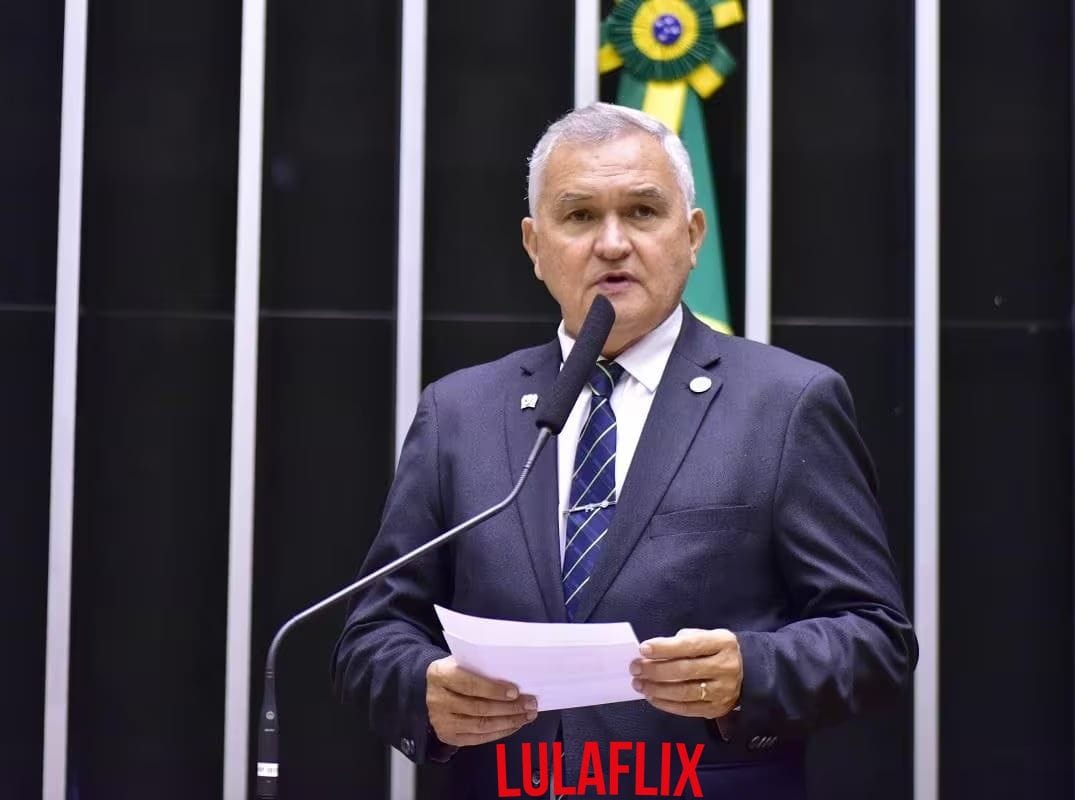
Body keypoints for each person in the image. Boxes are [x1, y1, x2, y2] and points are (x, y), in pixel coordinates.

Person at [333, 102, 916, 798]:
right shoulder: (459, 412)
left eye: (642, 211)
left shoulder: (787, 403)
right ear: (534, 245)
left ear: (692, 236)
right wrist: (423, 688)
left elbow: (876, 636)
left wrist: (750, 671)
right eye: (579, 216)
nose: (612, 243)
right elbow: (372, 635)